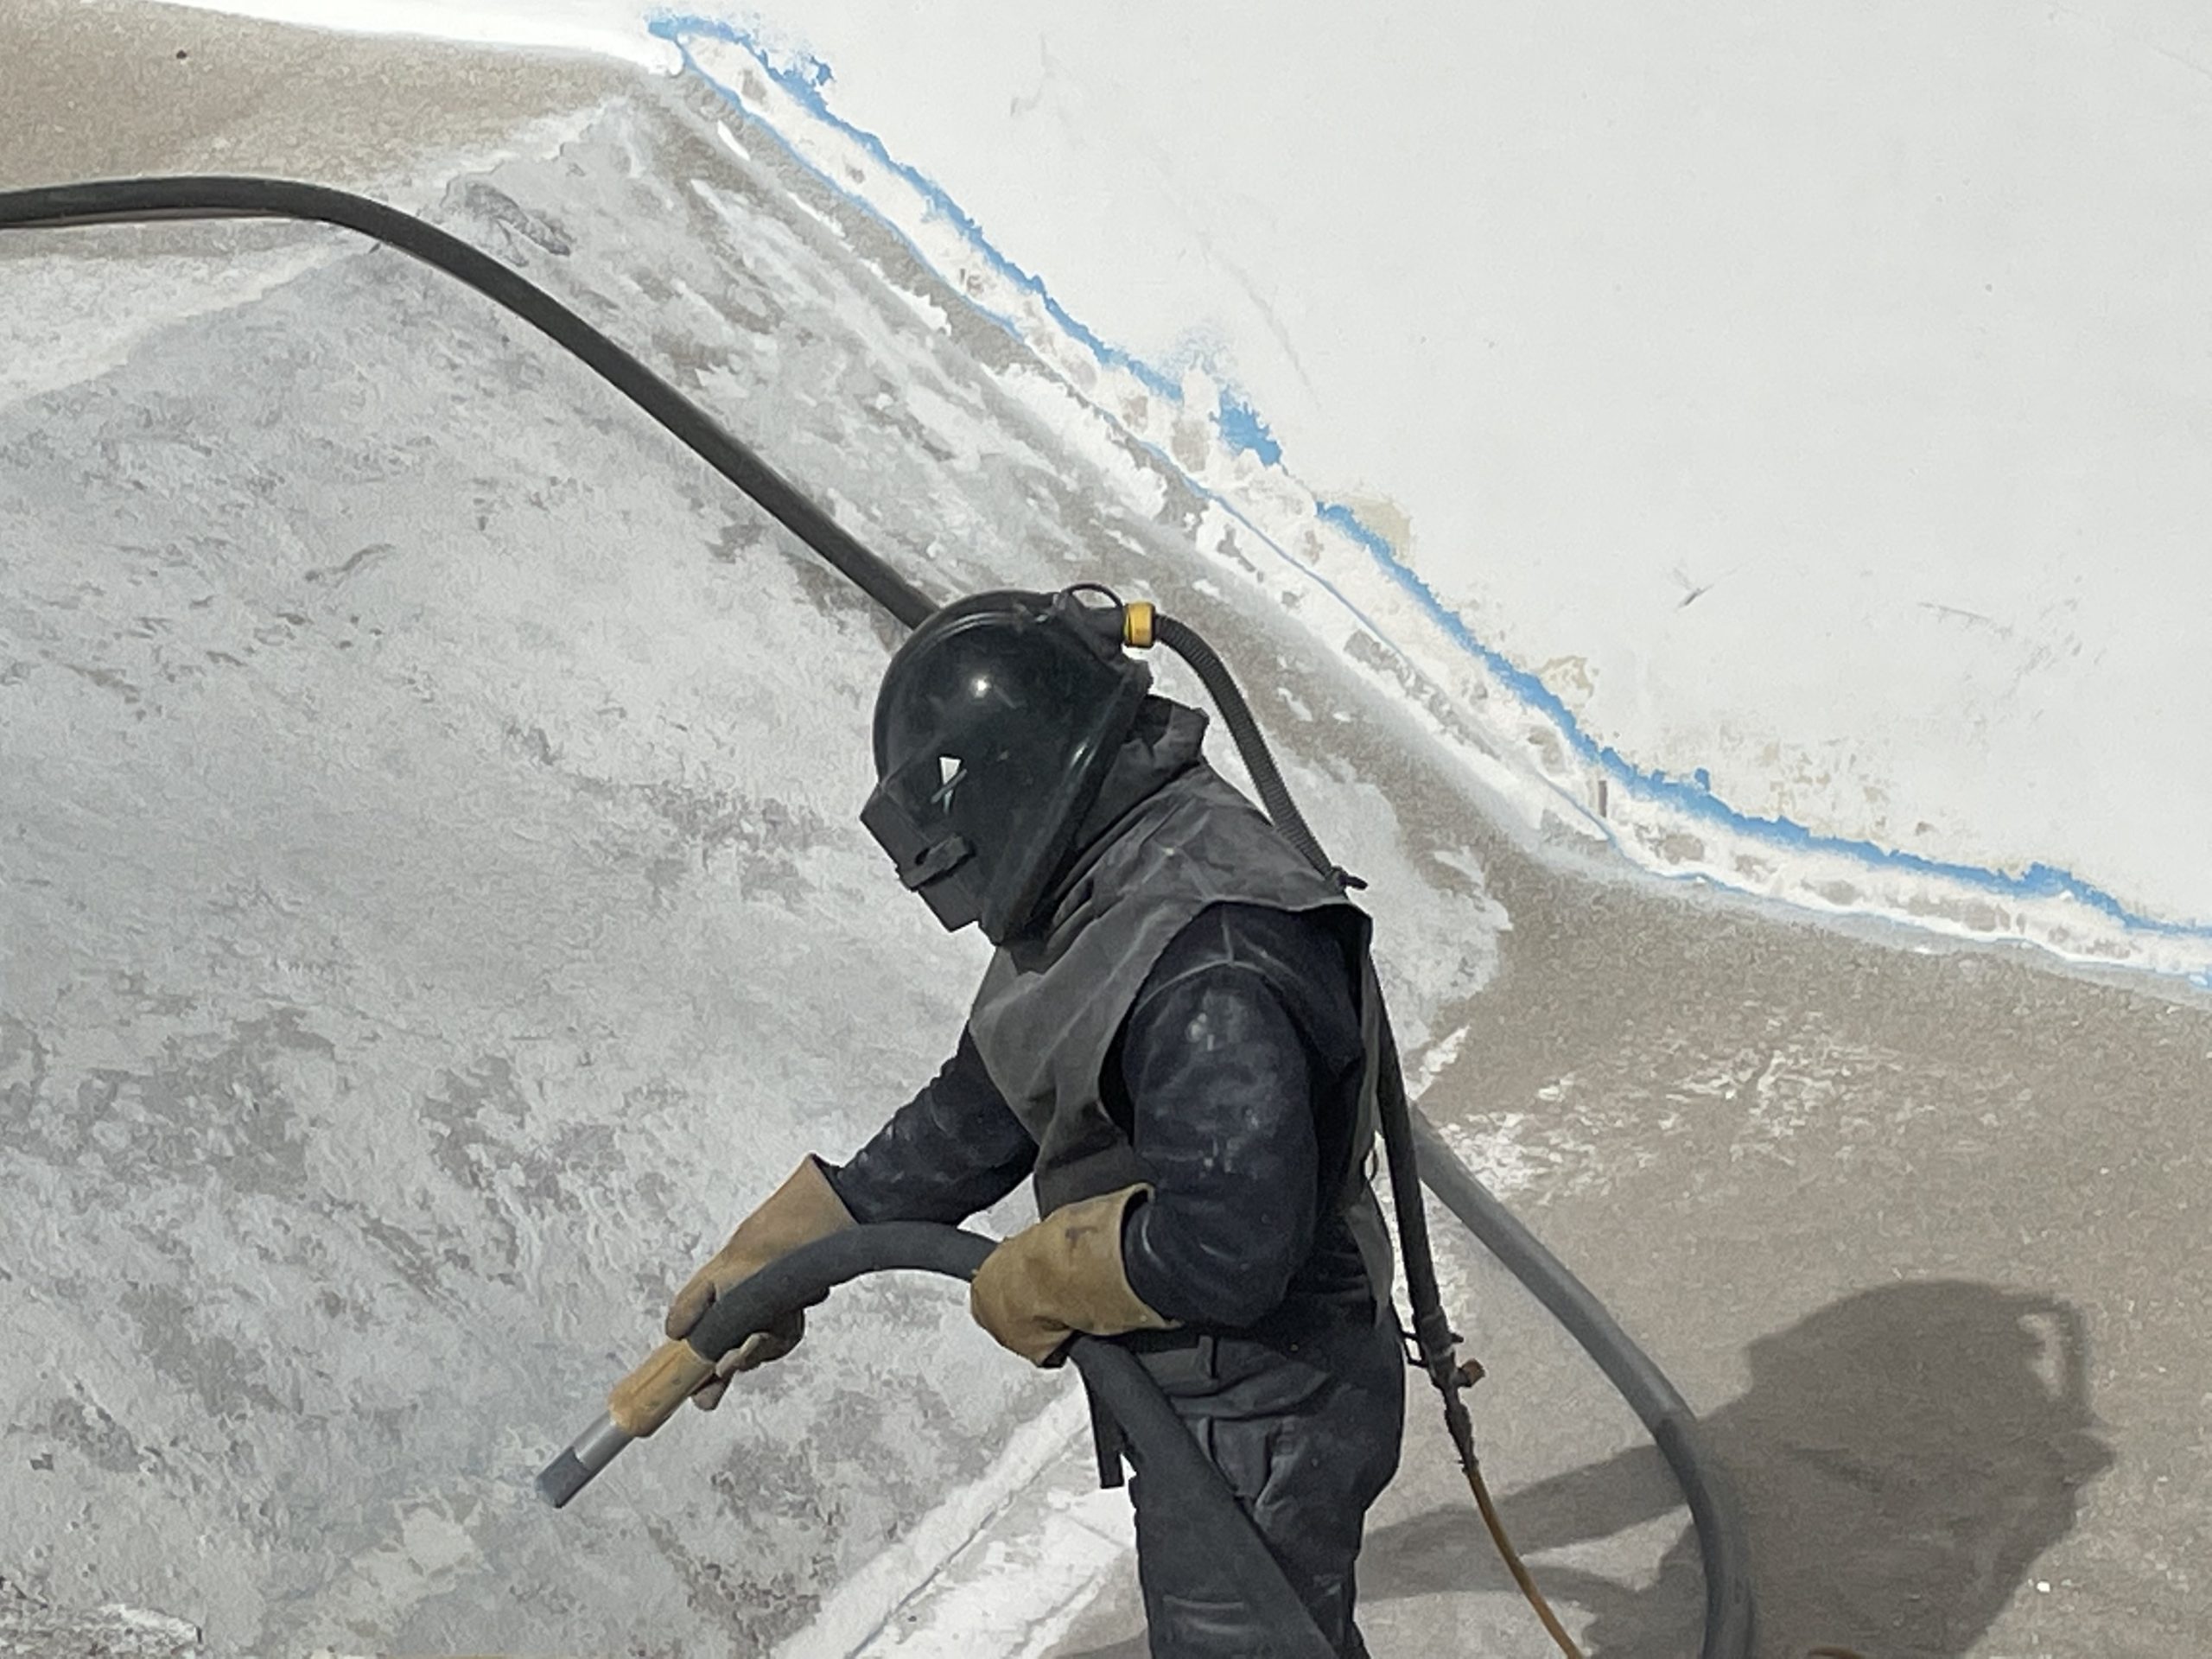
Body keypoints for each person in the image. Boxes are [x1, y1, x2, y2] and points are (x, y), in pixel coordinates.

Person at [662, 588, 1407, 1658]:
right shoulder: (1106, 874)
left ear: (1019, 787)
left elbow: (1230, 1242)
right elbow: (983, 1109)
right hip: (1213, 1381)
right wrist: (787, 1255)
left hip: (1264, 1397)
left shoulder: (1208, 957)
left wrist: (1043, 1271)